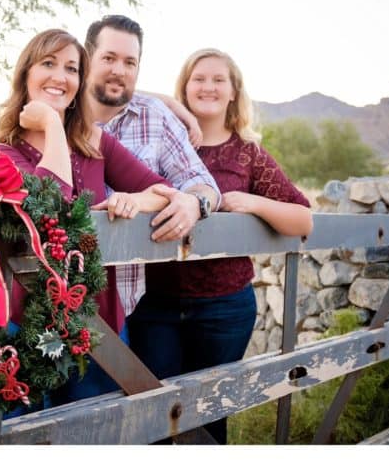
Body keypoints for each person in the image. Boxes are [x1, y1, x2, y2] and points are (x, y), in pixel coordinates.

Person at [128, 48, 314, 444]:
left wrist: (254, 203)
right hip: (153, 303)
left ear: (233, 92)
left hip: (223, 308)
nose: (207, 86)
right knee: (152, 416)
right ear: (184, 87)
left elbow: (303, 218)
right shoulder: (162, 140)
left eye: (218, 80)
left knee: (208, 416)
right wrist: (169, 105)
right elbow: (116, 90)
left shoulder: (248, 153)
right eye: (198, 78)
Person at [0, 29, 172, 404]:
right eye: (49, 64)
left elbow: (162, 192)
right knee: (28, 436)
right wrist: (53, 126)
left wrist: (133, 201)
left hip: (98, 324)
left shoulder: (94, 142)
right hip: (26, 324)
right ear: (26, 74)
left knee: (97, 432)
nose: (60, 76)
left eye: (72, 68)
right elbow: (46, 208)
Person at [83, 15, 221, 316]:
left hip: (127, 306)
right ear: (87, 57)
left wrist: (194, 203)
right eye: (109, 58)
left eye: (130, 62)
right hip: (52, 300)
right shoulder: (60, 114)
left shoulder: (155, 116)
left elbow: (202, 182)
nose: (119, 70)